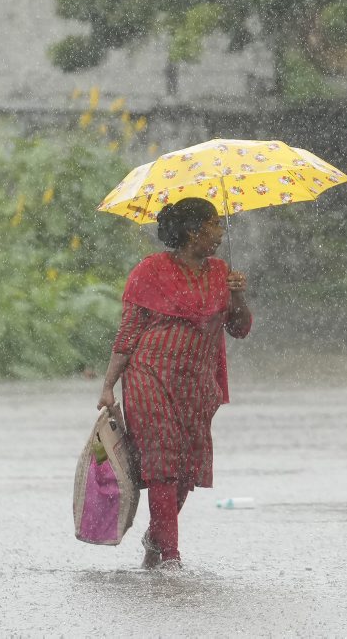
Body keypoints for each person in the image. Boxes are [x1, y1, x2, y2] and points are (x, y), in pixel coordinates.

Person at [97, 197, 252, 570]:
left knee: (186, 467)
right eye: (214, 224)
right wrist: (108, 385)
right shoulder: (149, 271)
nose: (220, 231)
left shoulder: (222, 273)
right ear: (192, 231)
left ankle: (157, 534)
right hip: (149, 376)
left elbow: (240, 329)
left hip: (198, 384)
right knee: (162, 463)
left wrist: (238, 296)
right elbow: (129, 332)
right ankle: (171, 556)